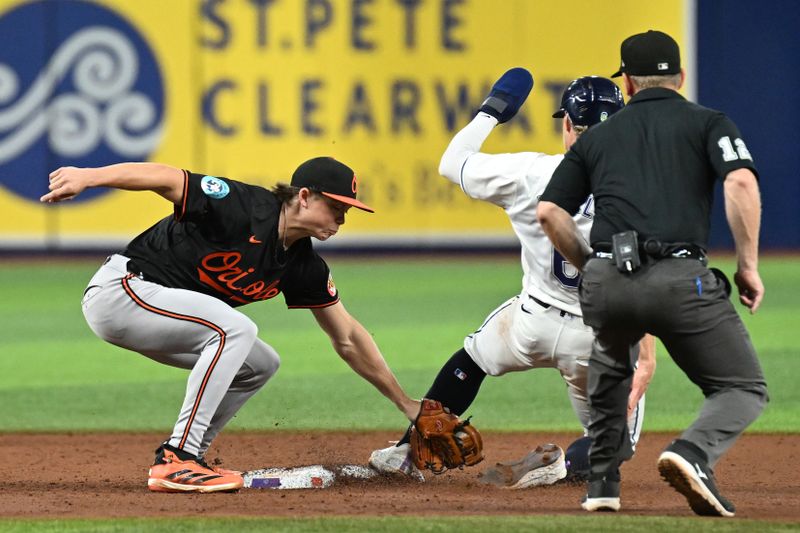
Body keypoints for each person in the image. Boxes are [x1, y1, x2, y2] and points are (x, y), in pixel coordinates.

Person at [41, 157, 420, 493]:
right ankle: (177, 459)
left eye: (347, 210)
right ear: (304, 196)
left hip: (157, 312)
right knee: (235, 329)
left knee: (260, 364)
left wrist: (406, 404)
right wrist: (89, 176)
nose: (342, 218)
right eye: (337, 206)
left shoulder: (303, 264)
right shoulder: (245, 206)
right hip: (123, 291)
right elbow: (166, 177)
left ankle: (194, 459)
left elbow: (349, 337)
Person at [368, 69, 656, 487]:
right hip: (601, 339)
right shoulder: (647, 189)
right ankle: (564, 465)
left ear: (569, 126)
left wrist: (493, 109)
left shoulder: (532, 174)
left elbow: (452, 165)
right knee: (614, 443)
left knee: (474, 358)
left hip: (531, 322)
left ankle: (407, 453)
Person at [537, 30, 768, 516]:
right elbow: (742, 182)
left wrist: (592, 267)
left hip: (607, 281)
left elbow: (550, 214)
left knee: (610, 366)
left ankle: (602, 482)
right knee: (742, 387)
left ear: (626, 84)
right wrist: (747, 265)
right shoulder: (709, 123)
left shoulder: (596, 137)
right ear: (680, 77)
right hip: (680, 278)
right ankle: (693, 453)